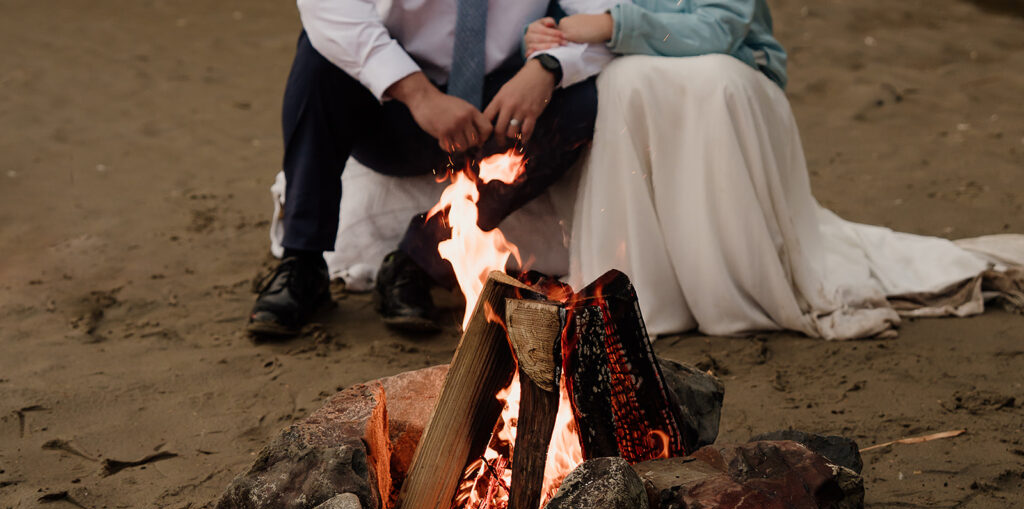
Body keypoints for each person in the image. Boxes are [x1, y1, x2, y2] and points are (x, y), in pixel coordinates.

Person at [525, 2, 1024, 339]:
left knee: (696, 80)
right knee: (624, 82)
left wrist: (616, 24)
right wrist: (543, 39)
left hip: (729, 72)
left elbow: (720, 28)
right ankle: (647, 290)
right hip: (635, 86)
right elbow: (562, 31)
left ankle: (733, 280)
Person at [249, 0, 614, 337]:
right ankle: (303, 261)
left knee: (583, 103)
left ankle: (419, 257)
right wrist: (418, 94)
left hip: (503, 110)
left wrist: (546, 68)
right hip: (394, 101)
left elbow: (602, 11)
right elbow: (328, 9)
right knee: (319, 58)